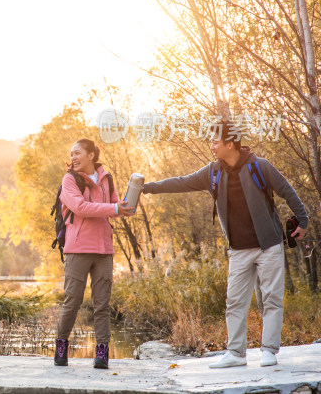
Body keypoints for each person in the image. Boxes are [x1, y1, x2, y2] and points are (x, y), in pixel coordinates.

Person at [142, 121, 309, 368]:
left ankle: (269, 351)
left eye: (214, 142)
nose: (211, 146)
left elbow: (287, 191)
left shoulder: (260, 166)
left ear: (230, 143)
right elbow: (181, 182)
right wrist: (147, 188)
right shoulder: (212, 172)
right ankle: (235, 353)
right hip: (239, 250)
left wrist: (303, 221)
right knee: (235, 301)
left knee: (271, 300)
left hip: (268, 245)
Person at [54, 138, 134, 369]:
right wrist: (114, 208)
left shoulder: (106, 178)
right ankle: (61, 346)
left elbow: (115, 206)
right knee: (72, 301)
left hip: (104, 250)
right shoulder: (69, 180)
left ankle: (102, 354)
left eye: (77, 153)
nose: (73, 158)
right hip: (77, 249)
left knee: (102, 304)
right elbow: (81, 208)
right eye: (71, 154)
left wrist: (127, 206)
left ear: (91, 154)